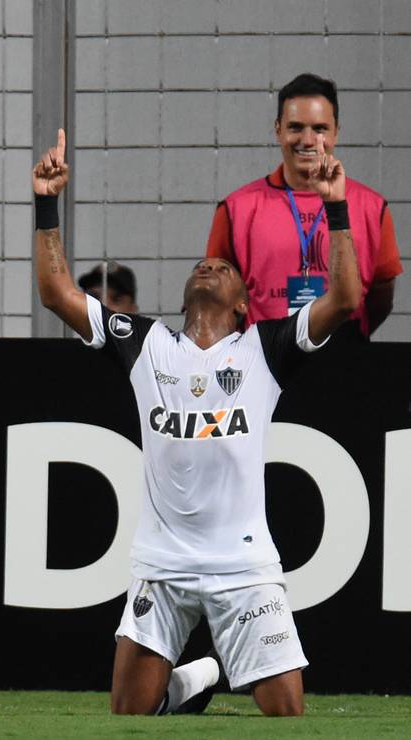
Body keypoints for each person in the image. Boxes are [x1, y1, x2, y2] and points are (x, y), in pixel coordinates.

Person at [33, 129, 361, 716]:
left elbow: (344, 297)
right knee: (129, 716)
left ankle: (199, 675)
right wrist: (46, 202)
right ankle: (189, 685)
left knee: (287, 715)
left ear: (243, 303)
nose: (209, 264)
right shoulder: (145, 343)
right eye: (202, 263)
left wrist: (336, 210)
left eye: (223, 267)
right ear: (185, 293)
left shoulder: (265, 348)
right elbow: (56, 292)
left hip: (244, 566)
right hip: (162, 564)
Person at [207, 73, 402, 338]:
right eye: (295, 127)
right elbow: (218, 300)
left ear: (336, 132)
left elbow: (380, 300)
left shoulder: (372, 207)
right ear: (278, 129)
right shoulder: (236, 209)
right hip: (264, 363)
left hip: (347, 362)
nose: (308, 140)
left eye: (320, 128)